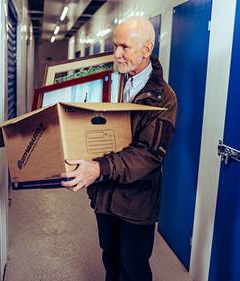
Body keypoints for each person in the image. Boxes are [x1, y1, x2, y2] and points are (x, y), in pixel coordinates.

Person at [61, 16, 178, 281]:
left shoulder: (164, 98)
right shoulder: (111, 82)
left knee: (133, 267)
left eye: (124, 47)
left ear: (146, 50)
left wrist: (98, 168)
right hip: (105, 195)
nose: (117, 54)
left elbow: (149, 155)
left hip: (137, 201)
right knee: (110, 258)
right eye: (115, 46)